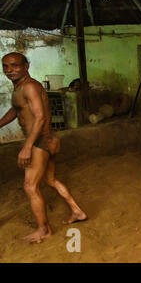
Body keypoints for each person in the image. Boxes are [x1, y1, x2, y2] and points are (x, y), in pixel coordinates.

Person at [0, 52, 87, 243]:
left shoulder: (29, 87)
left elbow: (39, 117)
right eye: (5, 66)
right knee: (50, 179)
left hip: (40, 141)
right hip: (48, 140)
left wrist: (27, 146)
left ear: (26, 67)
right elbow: (16, 110)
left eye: (14, 65)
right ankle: (77, 211)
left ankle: (43, 230)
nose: (9, 70)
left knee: (30, 186)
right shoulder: (21, 88)